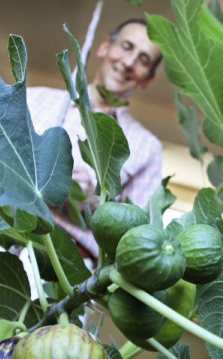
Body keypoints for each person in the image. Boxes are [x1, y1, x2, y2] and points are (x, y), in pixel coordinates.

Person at [27, 19, 164, 261]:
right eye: (126, 46)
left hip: (68, 269)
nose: (129, 62)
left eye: (143, 60)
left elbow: (134, 235)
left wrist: (92, 201)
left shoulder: (147, 148)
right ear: (104, 47)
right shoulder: (34, 99)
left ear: (147, 80)